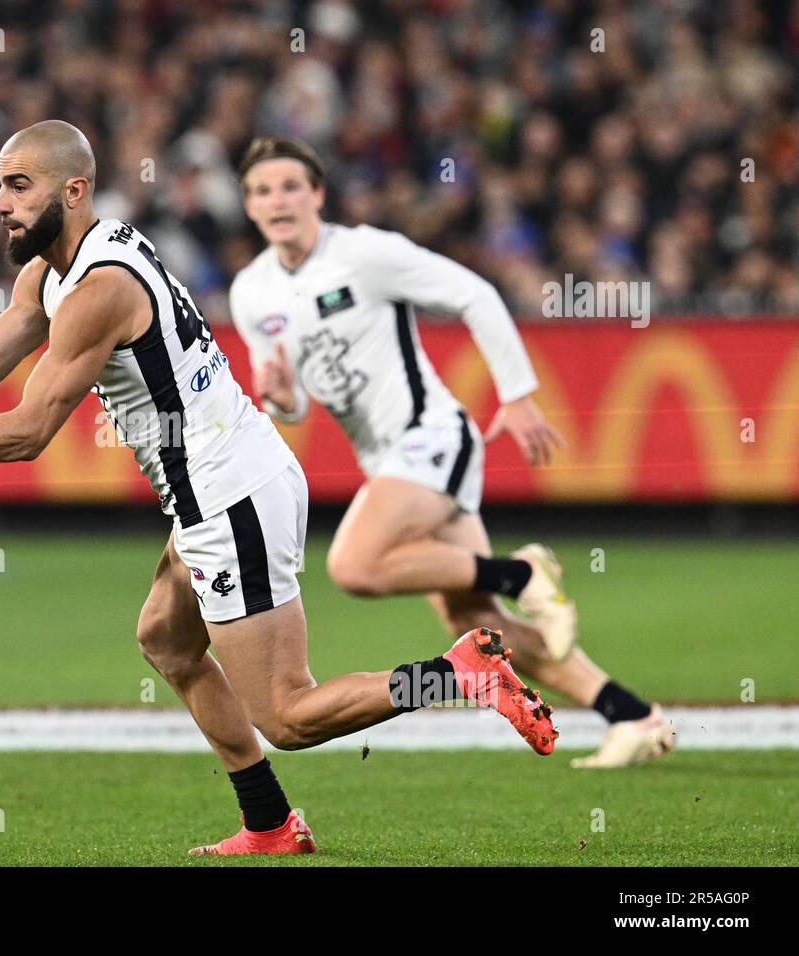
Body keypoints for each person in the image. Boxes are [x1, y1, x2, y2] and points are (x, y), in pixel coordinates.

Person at [0, 120, 558, 857]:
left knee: (288, 713)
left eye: (18, 186)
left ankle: (459, 675)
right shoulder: (61, 268)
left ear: (73, 190)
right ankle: (271, 823)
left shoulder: (98, 289)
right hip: (223, 483)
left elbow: (27, 432)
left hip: (230, 495)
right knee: (166, 638)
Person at [228, 136, 673, 770]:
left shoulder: (366, 254)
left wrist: (517, 394)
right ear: (248, 205)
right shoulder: (252, 293)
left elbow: (476, 294)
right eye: (263, 190)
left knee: (355, 565)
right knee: (477, 621)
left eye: (292, 186)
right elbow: (292, 398)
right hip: (390, 462)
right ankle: (631, 715)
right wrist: (281, 397)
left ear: (318, 194)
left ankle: (523, 573)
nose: (279, 200)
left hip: (433, 436)